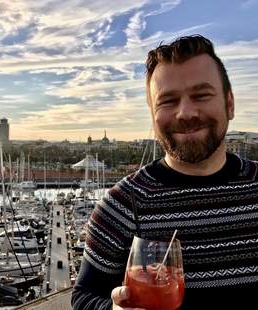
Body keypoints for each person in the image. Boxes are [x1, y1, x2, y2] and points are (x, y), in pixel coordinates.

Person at [71, 35, 258, 309]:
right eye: (168, 101)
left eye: (201, 95)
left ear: (229, 103)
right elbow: (84, 296)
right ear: (153, 115)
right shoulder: (122, 205)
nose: (184, 112)